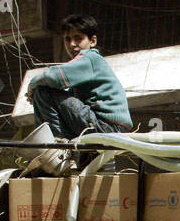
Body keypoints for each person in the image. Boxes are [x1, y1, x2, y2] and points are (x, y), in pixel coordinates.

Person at [26, 13, 132, 141]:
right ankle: (56, 141)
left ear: (93, 41)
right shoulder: (81, 69)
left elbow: (55, 77)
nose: (72, 44)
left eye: (78, 38)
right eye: (67, 39)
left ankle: (56, 143)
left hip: (107, 125)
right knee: (45, 93)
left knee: (44, 92)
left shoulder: (90, 58)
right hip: (106, 126)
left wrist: (32, 85)